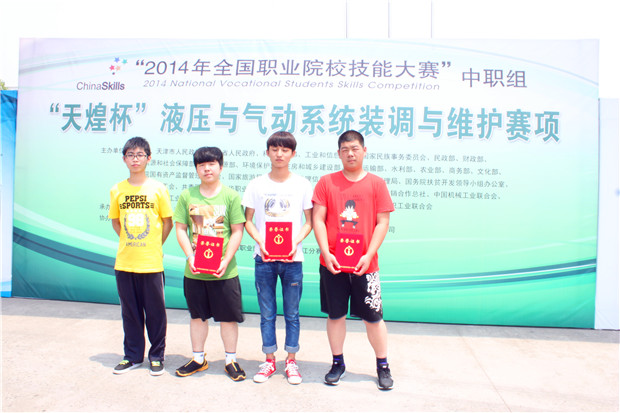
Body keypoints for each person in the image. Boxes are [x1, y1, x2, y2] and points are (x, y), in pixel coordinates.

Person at [312, 130, 395, 391]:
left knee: (373, 318)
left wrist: (368, 255)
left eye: (355, 148)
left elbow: (382, 222)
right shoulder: (326, 182)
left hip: (366, 265)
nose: (350, 153)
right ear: (338, 153)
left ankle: (383, 366)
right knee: (335, 315)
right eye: (345, 149)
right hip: (333, 264)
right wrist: (325, 252)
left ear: (364, 151)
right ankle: (337, 363)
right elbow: (318, 219)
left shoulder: (377, 184)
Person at [242, 132, 313, 385]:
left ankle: (291, 360)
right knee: (267, 313)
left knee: (292, 313)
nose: (279, 154)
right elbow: (248, 221)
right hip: (264, 259)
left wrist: (295, 242)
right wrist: (261, 241)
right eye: (275, 149)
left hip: (293, 260)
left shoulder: (302, 184)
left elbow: (309, 222)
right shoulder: (256, 184)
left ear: (293, 154)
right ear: (267, 152)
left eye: (285, 150)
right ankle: (269, 359)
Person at [173, 146, 247, 381]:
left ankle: (231, 360)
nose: (207, 169)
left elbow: (237, 231)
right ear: (196, 169)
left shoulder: (231, 196)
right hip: (195, 271)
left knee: (228, 318)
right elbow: (180, 229)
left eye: (212, 164)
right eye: (201, 165)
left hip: (224, 272)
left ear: (220, 167)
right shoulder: (187, 196)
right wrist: (190, 257)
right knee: (197, 316)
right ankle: (198, 358)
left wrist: (226, 260)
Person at [109, 136, 173, 376]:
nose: (135, 159)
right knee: (130, 313)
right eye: (130, 155)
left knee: (155, 314)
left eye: (140, 155)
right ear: (124, 159)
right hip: (125, 262)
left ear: (148, 158)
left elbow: (167, 222)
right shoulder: (117, 189)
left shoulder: (158, 188)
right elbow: (116, 222)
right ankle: (132, 356)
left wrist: (153, 243)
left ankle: (157, 356)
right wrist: (130, 240)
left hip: (151, 263)